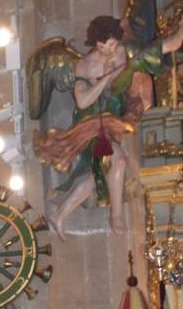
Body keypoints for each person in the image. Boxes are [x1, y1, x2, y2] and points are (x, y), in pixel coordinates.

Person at [35, 15, 183, 239]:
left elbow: (167, 45)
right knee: (119, 160)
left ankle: (60, 215)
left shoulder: (128, 51)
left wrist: (180, 30)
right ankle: (116, 216)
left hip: (112, 123)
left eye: (113, 45)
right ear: (95, 44)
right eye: (103, 47)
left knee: (99, 174)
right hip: (90, 123)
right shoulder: (85, 65)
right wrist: (105, 79)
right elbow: (83, 101)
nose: (109, 51)